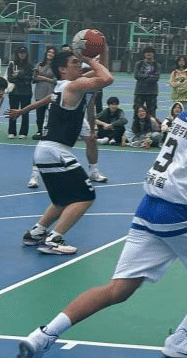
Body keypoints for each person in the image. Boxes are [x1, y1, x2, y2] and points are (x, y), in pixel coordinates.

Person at [16, 63, 187, 358]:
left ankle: (43, 336)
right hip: (178, 213)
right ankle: (182, 337)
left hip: (149, 208)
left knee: (118, 290)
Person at [7, 49, 114, 254]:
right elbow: (107, 78)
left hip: (46, 150)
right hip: (56, 151)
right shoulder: (73, 86)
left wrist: (104, 50)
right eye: (75, 62)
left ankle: (36, 233)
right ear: (63, 69)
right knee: (85, 196)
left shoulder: (63, 85)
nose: (79, 64)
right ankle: (55, 239)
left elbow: (103, 71)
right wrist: (89, 58)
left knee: (62, 200)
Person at [6, 45, 35, 138]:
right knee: (12, 111)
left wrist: (19, 75)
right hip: (14, 92)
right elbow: (10, 78)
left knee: (25, 112)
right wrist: (22, 77)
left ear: (27, 54)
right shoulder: (12, 64)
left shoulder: (30, 65)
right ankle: (11, 132)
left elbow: (30, 78)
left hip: (26, 93)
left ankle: (23, 133)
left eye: (24, 53)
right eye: (20, 53)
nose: (22, 55)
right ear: (17, 54)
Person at [31, 47, 58, 138]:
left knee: (50, 114)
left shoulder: (56, 66)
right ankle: (40, 131)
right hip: (40, 92)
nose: (50, 54)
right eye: (49, 52)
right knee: (39, 114)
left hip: (51, 92)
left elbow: (56, 80)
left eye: (52, 52)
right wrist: (37, 77)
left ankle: (49, 131)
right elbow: (34, 77)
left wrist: (44, 78)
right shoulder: (40, 64)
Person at [133, 46, 161, 115]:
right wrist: (148, 76)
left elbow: (156, 78)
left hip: (152, 92)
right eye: (147, 52)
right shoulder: (139, 64)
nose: (149, 54)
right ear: (144, 54)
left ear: (153, 54)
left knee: (152, 112)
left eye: (151, 52)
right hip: (140, 91)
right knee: (137, 111)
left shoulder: (156, 65)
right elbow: (136, 75)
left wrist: (143, 77)